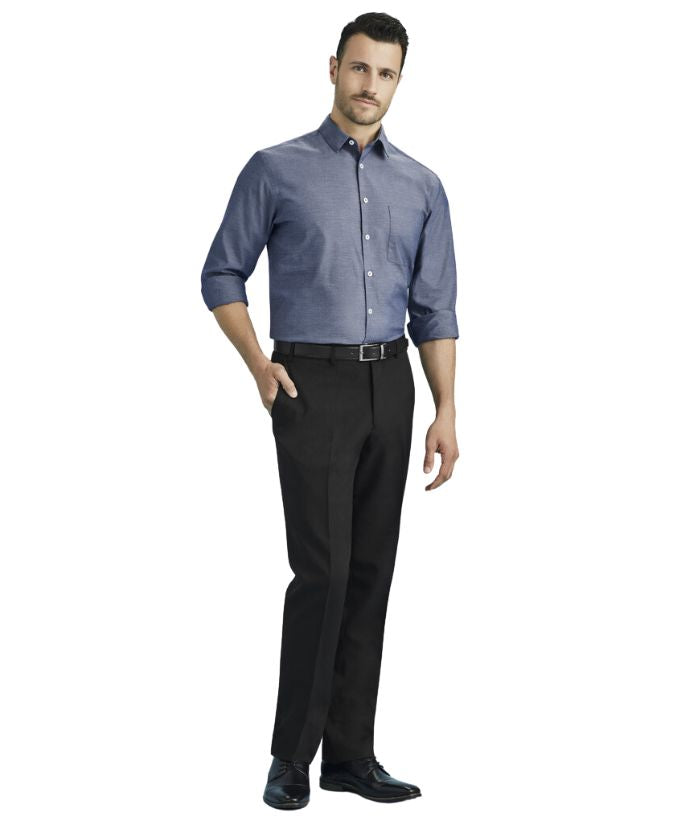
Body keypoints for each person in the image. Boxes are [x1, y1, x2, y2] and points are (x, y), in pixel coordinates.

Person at [200, 12, 460, 810]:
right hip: (309, 383)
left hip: (392, 384)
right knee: (324, 571)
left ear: (399, 80)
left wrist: (446, 408)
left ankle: (350, 754)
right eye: (358, 67)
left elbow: (436, 309)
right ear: (333, 68)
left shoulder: (422, 185)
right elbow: (221, 273)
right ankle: (291, 756)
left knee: (373, 571)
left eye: (385, 72)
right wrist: (259, 364)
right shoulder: (275, 169)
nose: (369, 85)